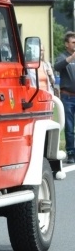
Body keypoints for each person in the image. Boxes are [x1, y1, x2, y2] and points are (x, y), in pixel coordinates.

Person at [54, 31, 75, 163]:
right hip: (67, 97)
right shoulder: (62, 56)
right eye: (73, 42)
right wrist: (71, 58)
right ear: (67, 44)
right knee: (69, 126)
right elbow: (56, 66)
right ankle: (71, 153)